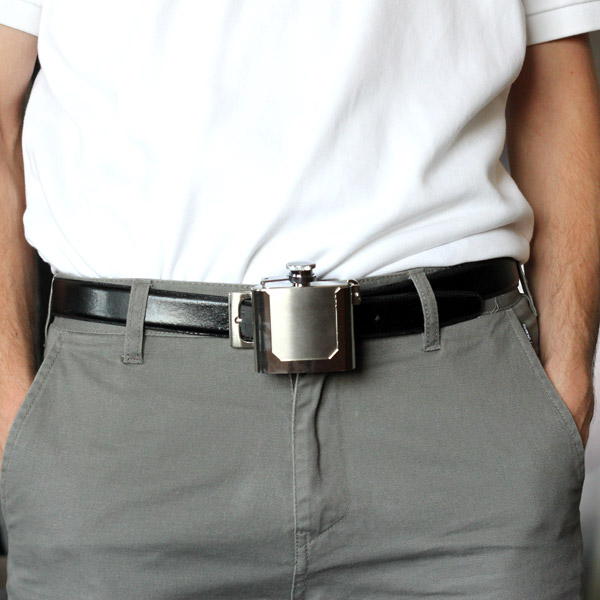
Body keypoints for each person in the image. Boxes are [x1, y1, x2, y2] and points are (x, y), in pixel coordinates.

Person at [0, 1, 599, 598]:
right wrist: (11, 407)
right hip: (121, 431)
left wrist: (569, 376)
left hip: (459, 421)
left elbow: (555, 81)